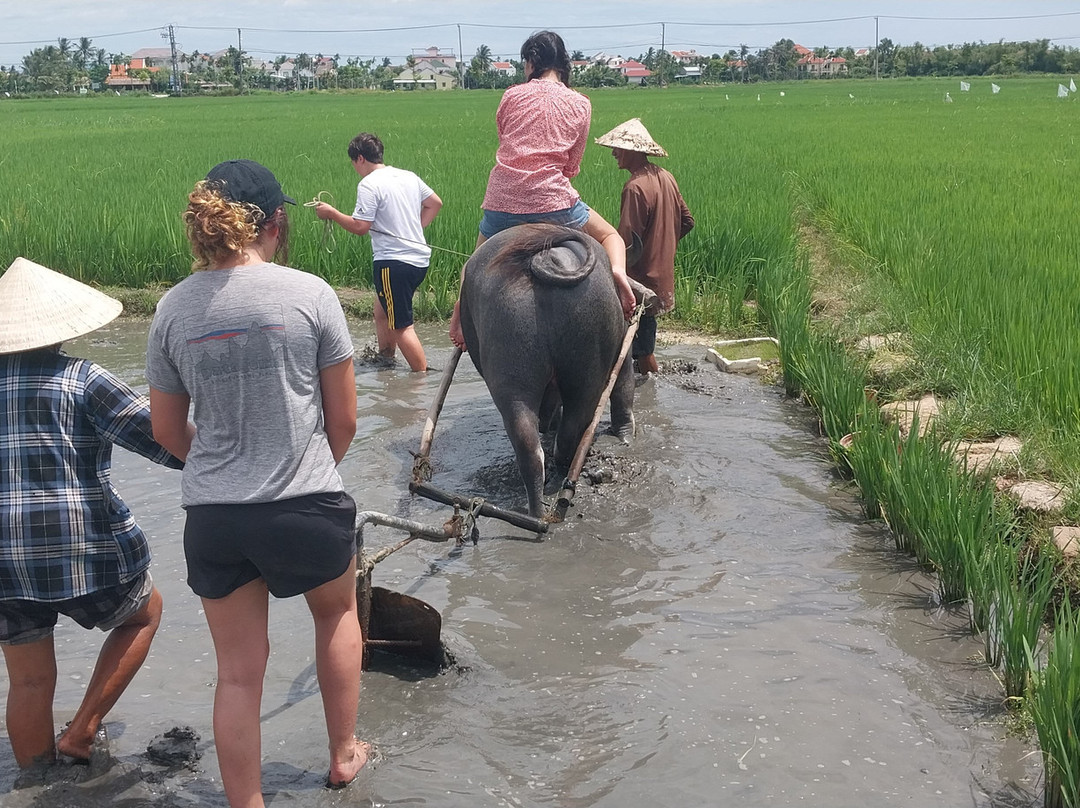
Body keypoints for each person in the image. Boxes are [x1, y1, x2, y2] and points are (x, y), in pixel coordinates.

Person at [146, 159, 370, 806]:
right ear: (275, 222)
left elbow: (166, 431)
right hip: (305, 501)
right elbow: (346, 419)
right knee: (336, 616)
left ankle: (246, 801)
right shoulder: (310, 294)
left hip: (215, 517)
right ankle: (343, 756)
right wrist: (310, 470)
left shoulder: (171, 309)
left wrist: (221, 470)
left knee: (238, 675)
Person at [0, 257, 183, 769]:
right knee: (144, 612)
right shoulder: (81, 379)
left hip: (3, 560)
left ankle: (35, 781)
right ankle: (80, 733)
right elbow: (167, 445)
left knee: (28, 679)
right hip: (82, 545)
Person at [448, 30, 637, 350]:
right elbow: (571, 166)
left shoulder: (511, 95)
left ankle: (459, 313)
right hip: (554, 202)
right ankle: (618, 274)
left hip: (502, 204)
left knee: (475, 261)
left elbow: (505, 140)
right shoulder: (580, 103)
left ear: (532, 61)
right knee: (610, 237)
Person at [314, 132, 442, 371]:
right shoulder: (408, 176)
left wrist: (331, 213)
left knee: (402, 327)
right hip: (418, 259)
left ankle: (421, 377)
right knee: (381, 310)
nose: (355, 169)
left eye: (354, 163)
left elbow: (361, 227)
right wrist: (413, 230)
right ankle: (386, 359)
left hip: (393, 263)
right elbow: (435, 203)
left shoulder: (369, 184)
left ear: (360, 159)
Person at [596, 118, 695, 375]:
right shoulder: (666, 176)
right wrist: (663, 249)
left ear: (633, 151)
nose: (614, 153)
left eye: (618, 148)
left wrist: (609, 270)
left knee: (641, 348)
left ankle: (651, 394)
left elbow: (627, 243)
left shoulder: (635, 188)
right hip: (661, 277)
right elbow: (687, 221)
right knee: (643, 342)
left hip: (640, 282)